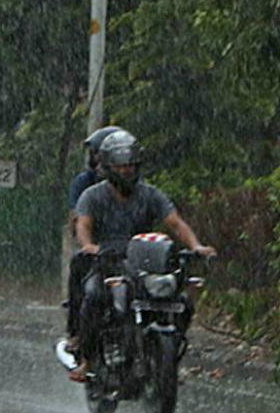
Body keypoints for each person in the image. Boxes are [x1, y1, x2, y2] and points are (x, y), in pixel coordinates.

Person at [67, 131, 217, 382]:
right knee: (93, 297)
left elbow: (175, 223)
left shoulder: (150, 194)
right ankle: (87, 360)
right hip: (107, 261)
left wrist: (196, 246)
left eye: (130, 165)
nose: (126, 170)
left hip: (144, 262)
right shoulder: (92, 195)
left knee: (182, 300)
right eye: (120, 165)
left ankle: (167, 360)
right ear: (107, 167)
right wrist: (89, 246)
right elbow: (83, 225)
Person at [63, 126, 124, 351]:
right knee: (80, 267)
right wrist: (89, 242)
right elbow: (77, 220)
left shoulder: (133, 185)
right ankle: (76, 331)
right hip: (98, 249)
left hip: (128, 249)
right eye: (95, 154)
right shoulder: (84, 184)